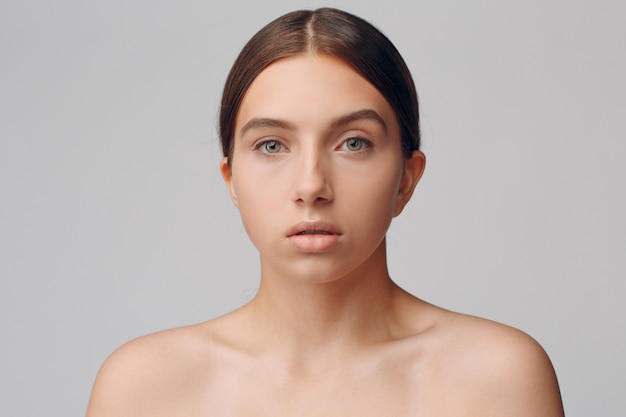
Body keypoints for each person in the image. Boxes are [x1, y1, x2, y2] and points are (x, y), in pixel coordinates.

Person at [86, 7, 564, 416]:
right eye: (272, 145)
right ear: (231, 179)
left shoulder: (499, 380)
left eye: (353, 143)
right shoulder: (143, 390)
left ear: (406, 178)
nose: (311, 185)